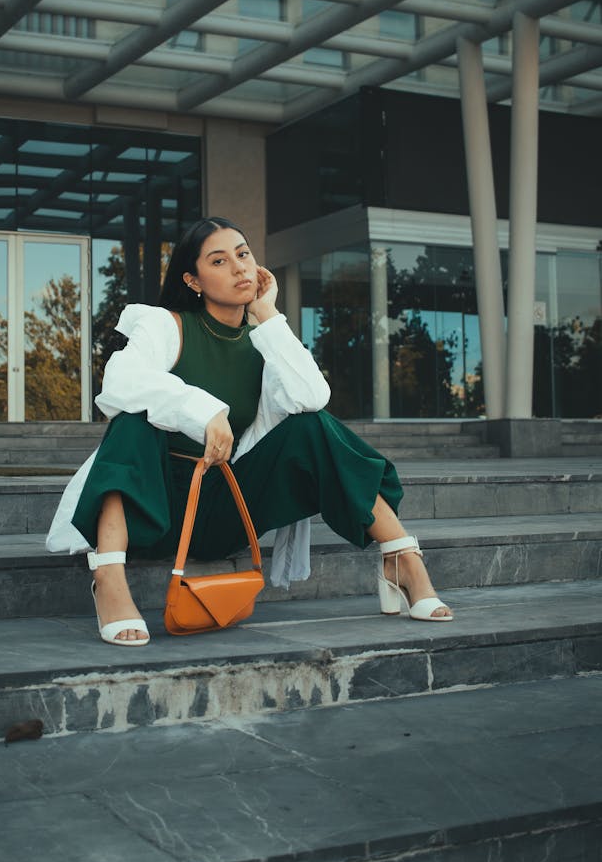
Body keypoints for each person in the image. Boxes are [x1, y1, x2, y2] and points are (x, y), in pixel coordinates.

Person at [46, 216, 453, 646]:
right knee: (132, 419)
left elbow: (313, 396)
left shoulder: (264, 338)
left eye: (243, 254)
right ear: (193, 279)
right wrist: (203, 412)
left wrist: (268, 314)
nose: (239, 268)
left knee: (310, 425)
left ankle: (402, 558)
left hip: (225, 507)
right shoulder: (167, 325)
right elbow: (120, 382)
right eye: (219, 261)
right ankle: (108, 577)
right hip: (153, 510)